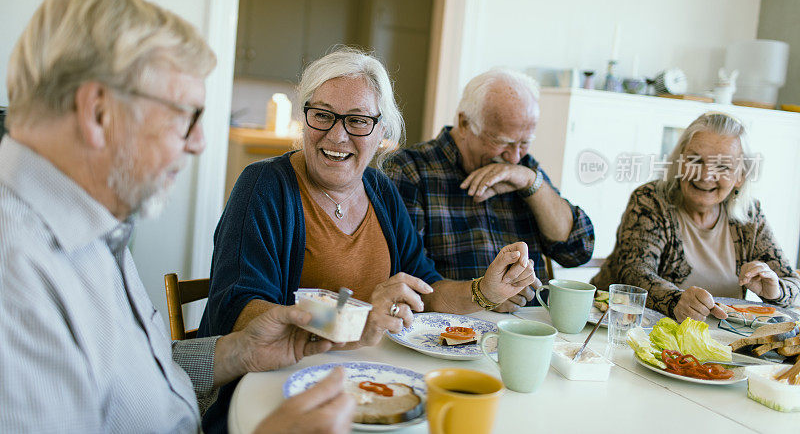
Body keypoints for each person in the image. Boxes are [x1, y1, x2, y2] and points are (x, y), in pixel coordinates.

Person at [0, 0, 354, 433]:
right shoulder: (14, 276)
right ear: (98, 113)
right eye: (187, 116)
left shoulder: (89, 224)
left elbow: (129, 378)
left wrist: (239, 351)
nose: (200, 142)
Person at [198, 48, 538, 431]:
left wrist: (483, 291)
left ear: (381, 134)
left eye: (357, 121)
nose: (337, 134)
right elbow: (239, 310)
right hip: (276, 395)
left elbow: (424, 289)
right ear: (305, 118)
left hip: (370, 390)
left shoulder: (380, 190)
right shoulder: (264, 186)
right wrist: (354, 318)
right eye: (322, 115)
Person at [384, 68, 594, 311]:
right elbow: (408, 280)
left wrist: (530, 182)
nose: (515, 157)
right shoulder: (410, 170)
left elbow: (578, 250)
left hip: (531, 325)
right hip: (451, 330)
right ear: (464, 123)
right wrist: (484, 295)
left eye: (525, 143)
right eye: (502, 142)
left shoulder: (524, 167)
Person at [591, 112, 800, 322]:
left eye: (722, 166)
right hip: (617, 328)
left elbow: (793, 283)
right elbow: (634, 272)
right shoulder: (650, 200)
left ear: (740, 176)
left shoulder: (749, 216)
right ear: (680, 161)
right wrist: (675, 300)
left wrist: (775, 291)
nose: (705, 175)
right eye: (695, 160)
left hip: (718, 342)